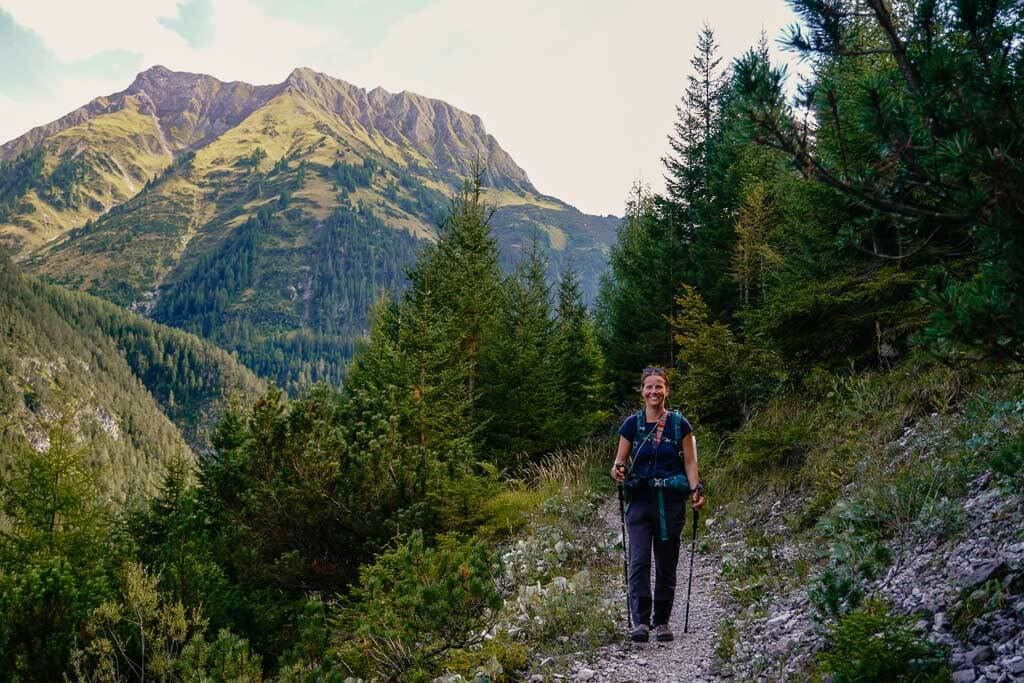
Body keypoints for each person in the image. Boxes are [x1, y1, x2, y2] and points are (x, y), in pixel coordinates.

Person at [610, 366, 705, 642]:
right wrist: (617, 470)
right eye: (649, 387)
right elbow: (619, 462)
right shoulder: (631, 425)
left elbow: (689, 462)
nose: (654, 391)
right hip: (639, 503)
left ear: (667, 390)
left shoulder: (679, 424)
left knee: (666, 562)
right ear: (642, 391)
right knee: (639, 560)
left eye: (659, 386)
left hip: (670, 505)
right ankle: (640, 622)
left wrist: (695, 490)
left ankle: (661, 622)